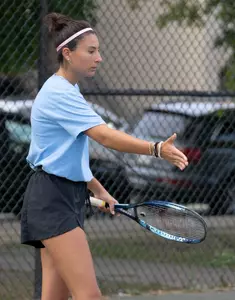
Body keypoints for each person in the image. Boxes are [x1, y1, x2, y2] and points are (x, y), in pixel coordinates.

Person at [20, 12, 189, 300]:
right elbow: (106, 136)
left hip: (61, 196)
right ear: (68, 54)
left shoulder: (67, 90)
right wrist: (156, 148)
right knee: (89, 295)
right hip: (52, 201)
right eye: (91, 51)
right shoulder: (59, 93)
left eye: (99, 50)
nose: (99, 58)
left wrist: (99, 190)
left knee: (54, 297)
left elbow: (67, 157)